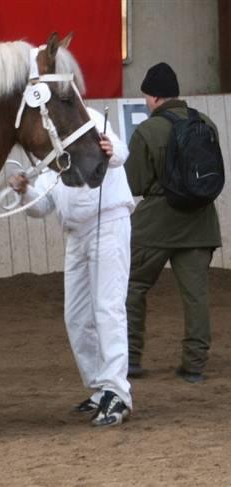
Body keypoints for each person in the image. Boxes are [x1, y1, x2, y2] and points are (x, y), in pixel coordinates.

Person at [8, 106, 134, 427]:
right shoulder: (47, 146)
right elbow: (45, 205)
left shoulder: (87, 117)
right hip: (76, 232)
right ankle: (99, 386)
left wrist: (111, 148)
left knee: (108, 308)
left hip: (108, 220)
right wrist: (25, 192)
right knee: (76, 315)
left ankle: (117, 392)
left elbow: (120, 152)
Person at [124, 62, 222, 383]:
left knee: (132, 287)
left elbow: (134, 183)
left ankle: (131, 357)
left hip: (157, 224)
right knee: (196, 296)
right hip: (201, 222)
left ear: (152, 98)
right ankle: (194, 365)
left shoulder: (147, 130)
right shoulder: (206, 123)